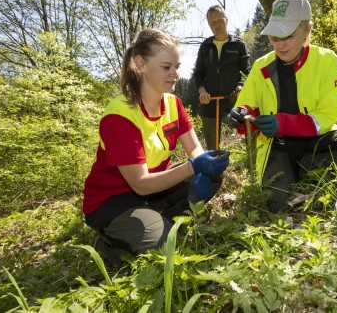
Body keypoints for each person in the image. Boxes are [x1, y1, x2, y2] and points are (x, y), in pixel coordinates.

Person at [226, 0, 337, 213]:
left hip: (316, 140)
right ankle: (299, 171)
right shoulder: (261, 67)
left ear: (307, 30)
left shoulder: (326, 60)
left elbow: (327, 116)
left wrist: (283, 123)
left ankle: (305, 168)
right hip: (276, 148)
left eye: (288, 36)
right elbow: (247, 109)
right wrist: (239, 116)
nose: (280, 45)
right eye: (274, 37)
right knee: (276, 205)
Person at [83, 28, 230, 265]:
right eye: (166, 67)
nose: (175, 74)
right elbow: (140, 185)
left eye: (177, 66)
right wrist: (192, 168)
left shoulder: (173, 103)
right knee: (166, 245)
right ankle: (110, 242)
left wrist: (205, 166)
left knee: (213, 176)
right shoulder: (120, 116)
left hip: (153, 191)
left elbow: (195, 150)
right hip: (113, 201)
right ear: (140, 64)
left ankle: (155, 220)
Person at [192, 5, 250, 150]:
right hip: (210, 99)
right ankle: (214, 166)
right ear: (209, 25)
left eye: (219, 20)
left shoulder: (238, 45)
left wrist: (241, 85)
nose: (216, 25)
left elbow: (247, 71)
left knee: (248, 126)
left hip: (233, 96)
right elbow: (198, 73)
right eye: (212, 22)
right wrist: (202, 91)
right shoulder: (206, 46)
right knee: (212, 143)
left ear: (226, 20)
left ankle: (250, 157)